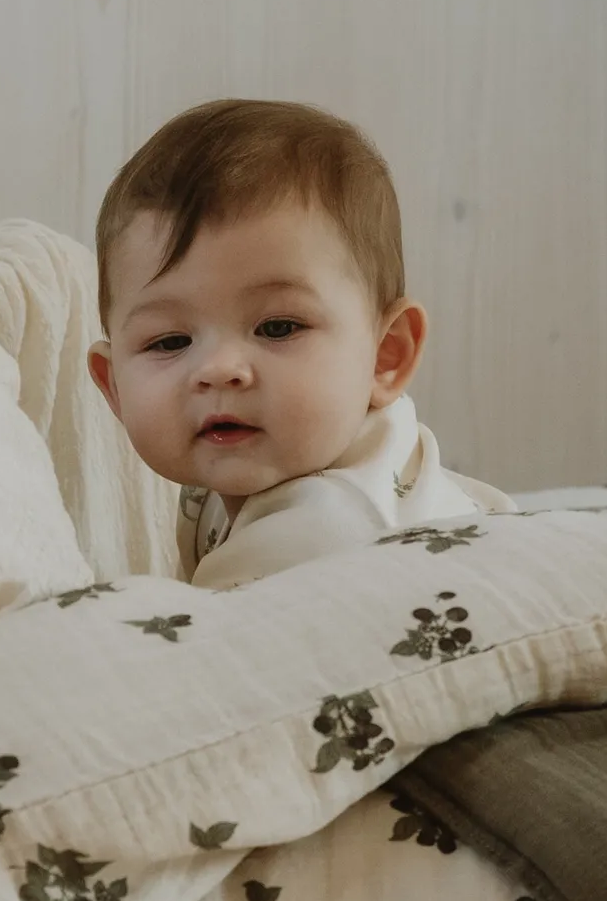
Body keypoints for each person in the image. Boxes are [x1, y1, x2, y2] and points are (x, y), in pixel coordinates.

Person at [85, 98, 511, 589]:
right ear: (112, 385)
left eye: (278, 328)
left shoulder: (315, 537)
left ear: (385, 355)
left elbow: (196, 658)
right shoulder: (268, 468)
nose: (220, 369)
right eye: (171, 340)